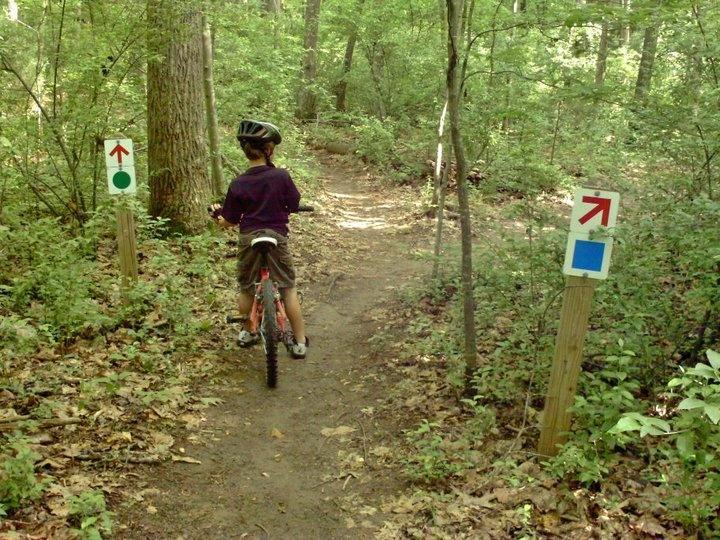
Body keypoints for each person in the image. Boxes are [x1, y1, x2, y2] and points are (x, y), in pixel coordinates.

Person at [209, 119, 308, 359]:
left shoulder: (238, 183)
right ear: (269, 150)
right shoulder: (281, 176)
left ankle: (247, 331)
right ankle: (300, 341)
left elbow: (230, 221)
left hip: (249, 238)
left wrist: (218, 217)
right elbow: (293, 204)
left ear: (246, 151)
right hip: (276, 237)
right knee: (287, 288)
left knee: (246, 287)